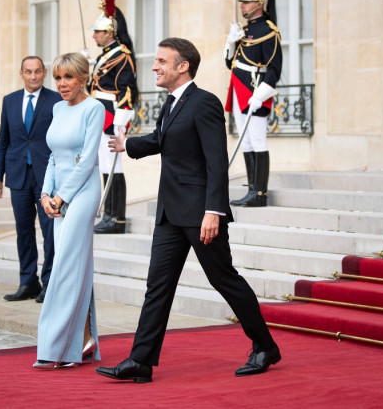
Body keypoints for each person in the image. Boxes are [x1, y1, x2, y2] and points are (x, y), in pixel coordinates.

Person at [96, 37, 280, 383]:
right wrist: (127, 144)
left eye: (162, 61)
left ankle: (265, 346)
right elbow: (159, 140)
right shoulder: (171, 103)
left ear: (183, 66)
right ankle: (141, 361)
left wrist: (215, 211)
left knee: (224, 280)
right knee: (158, 286)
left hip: (200, 214)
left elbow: (216, 162)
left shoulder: (204, 103)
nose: (154, 66)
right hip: (169, 212)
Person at [33, 52, 105, 370]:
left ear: (83, 78)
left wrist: (61, 197)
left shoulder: (94, 108)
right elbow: (53, 156)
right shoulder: (57, 108)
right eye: (58, 78)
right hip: (59, 193)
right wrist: (46, 194)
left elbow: (88, 160)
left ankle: (55, 346)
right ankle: (84, 340)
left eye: (69, 78)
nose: (62, 84)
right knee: (74, 265)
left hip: (84, 192)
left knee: (64, 264)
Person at [0, 56, 61, 302]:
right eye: (28, 72)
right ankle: (27, 282)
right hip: (18, 176)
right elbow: (3, 141)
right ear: (21, 73)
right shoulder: (9, 101)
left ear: (44, 73)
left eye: (37, 72)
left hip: (47, 178)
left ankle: (50, 283)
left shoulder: (55, 100)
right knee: (23, 231)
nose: (33, 77)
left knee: (49, 230)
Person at [224, 0, 282, 207]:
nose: (242, 6)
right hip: (238, 86)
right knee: (245, 141)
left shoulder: (269, 31)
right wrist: (230, 42)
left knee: (257, 140)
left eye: (246, 2)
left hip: (255, 90)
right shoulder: (244, 30)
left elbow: (275, 70)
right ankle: (251, 189)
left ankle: (261, 194)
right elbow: (230, 63)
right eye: (242, 2)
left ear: (259, 4)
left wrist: (260, 95)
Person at [89, 0, 139, 234]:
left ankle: (117, 218)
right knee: (105, 166)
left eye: (98, 31)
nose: (94, 35)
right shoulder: (105, 55)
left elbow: (128, 90)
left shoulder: (122, 55)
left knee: (113, 165)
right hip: (101, 112)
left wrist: (120, 123)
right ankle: (109, 214)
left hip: (112, 114)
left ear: (110, 32)